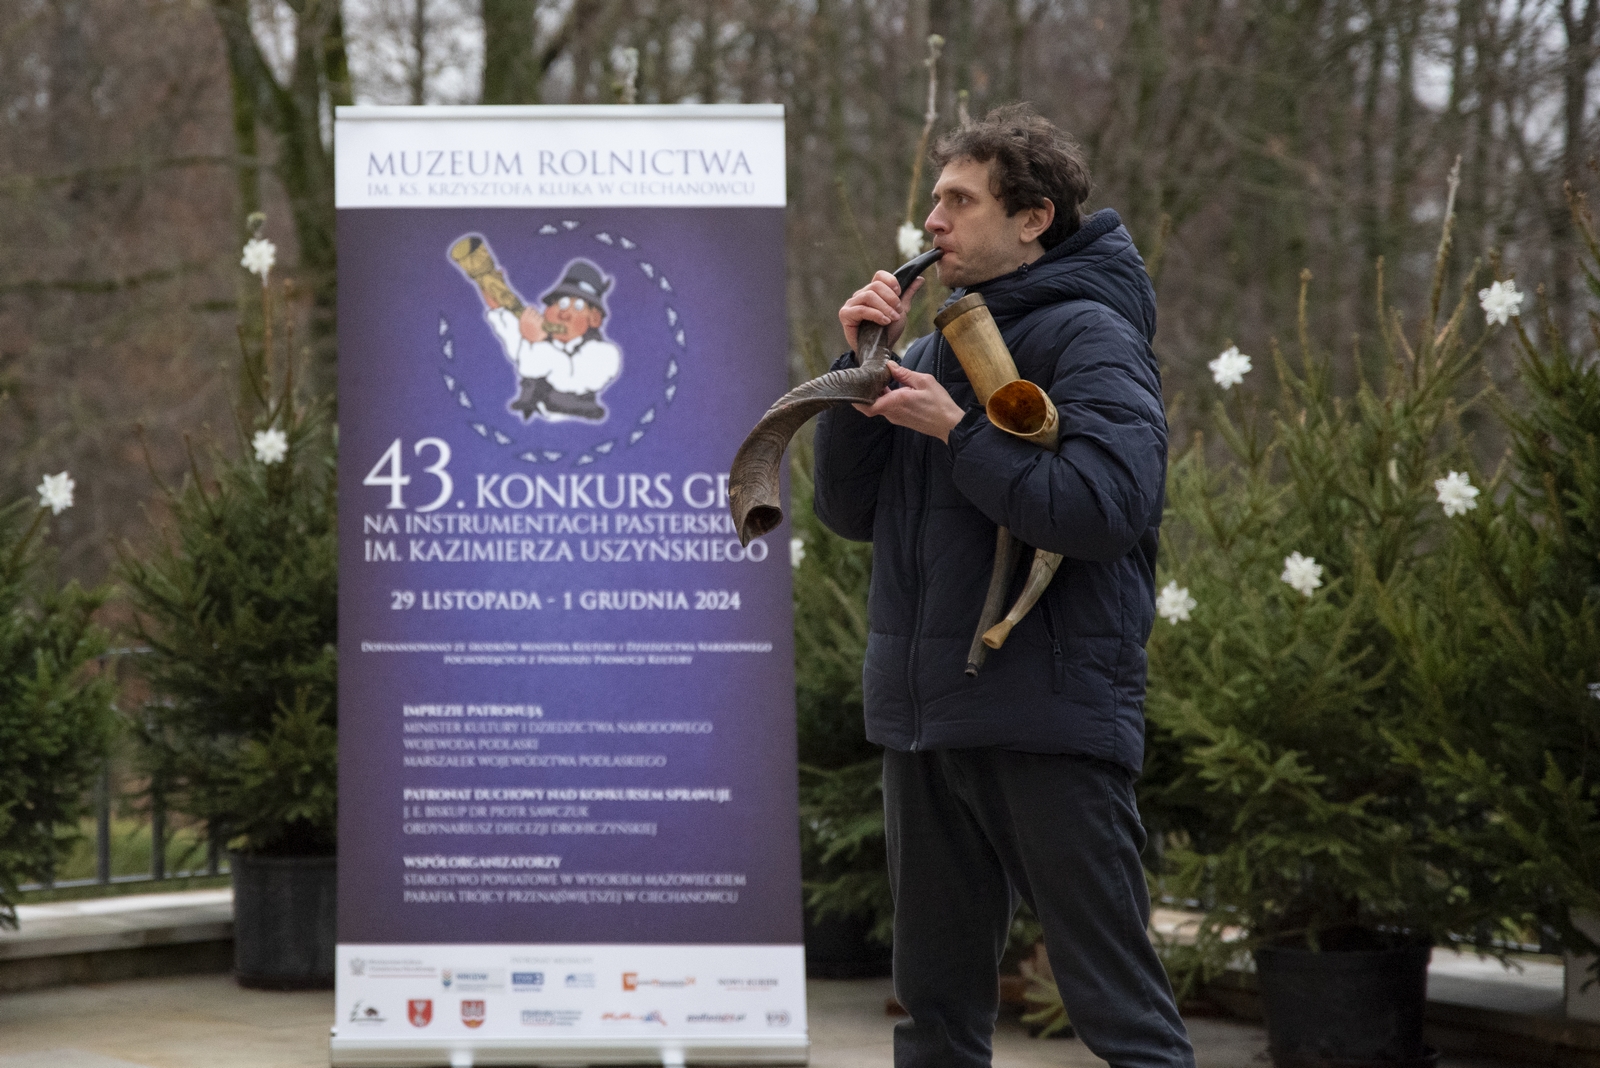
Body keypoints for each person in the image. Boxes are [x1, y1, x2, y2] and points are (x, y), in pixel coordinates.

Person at [812, 103, 1195, 1068]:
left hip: (1045, 719)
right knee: (935, 1019)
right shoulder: (931, 348)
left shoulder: (1092, 337)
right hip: (929, 722)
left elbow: (1106, 510)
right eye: (934, 200)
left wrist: (959, 433)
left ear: (1033, 219)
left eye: (959, 200)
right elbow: (849, 513)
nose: (931, 219)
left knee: (1120, 1016)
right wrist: (860, 368)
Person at [482, 258, 622, 422]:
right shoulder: (545, 339)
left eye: (577, 307)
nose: (564, 314)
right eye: (561, 304)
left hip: (577, 426)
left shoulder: (604, 354)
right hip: (531, 424)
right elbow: (516, 341)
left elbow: (568, 377)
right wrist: (499, 307)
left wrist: (537, 340)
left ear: (594, 318)